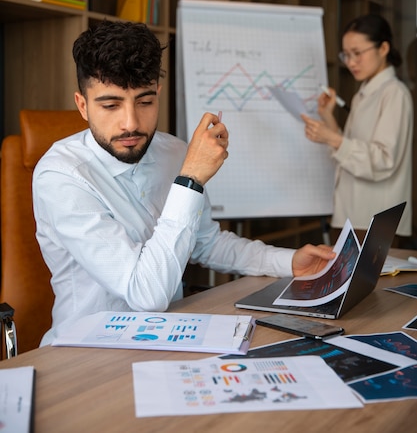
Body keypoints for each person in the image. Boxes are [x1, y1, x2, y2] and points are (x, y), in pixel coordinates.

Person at [33, 19, 335, 345]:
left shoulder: (173, 150)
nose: (131, 123)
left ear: (158, 94)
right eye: (110, 105)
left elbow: (206, 242)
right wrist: (190, 179)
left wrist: (287, 262)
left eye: (145, 102)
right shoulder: (61, 177)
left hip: (167, 338)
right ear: (82, 105)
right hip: (85, 353)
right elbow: (146, 293)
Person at [301, 14, 413, 243]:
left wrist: (332, 139)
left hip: (374, 223)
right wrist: (327, 117)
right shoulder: (364, 93)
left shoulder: (394, 93)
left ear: (383, 48)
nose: (350, 62)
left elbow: (383, 160)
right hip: (352, 219)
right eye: (346, 54)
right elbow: (352, 153)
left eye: (357, 53)